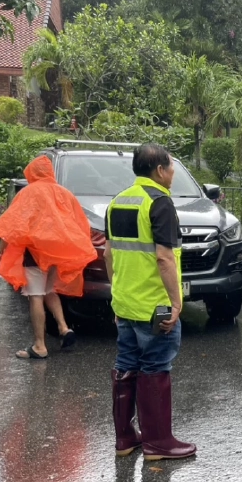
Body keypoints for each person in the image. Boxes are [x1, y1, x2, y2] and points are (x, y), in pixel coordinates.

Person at [104, 143, 195, 460]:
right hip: (155, 307)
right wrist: (176, 303)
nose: (172, 173)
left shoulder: (118, 202)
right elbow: (164, 258)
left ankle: (125, 439)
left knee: (126, 365)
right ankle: (158, 442)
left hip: (125, 304)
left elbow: (108, 254)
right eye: (171, 166)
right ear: (159, 170)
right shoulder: (159, 202)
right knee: (155, 367)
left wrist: (116, 296)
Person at [0, 155, 96, 359]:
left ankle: (40, 346)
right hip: (56, 253)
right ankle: (64, 327)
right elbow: (80, 223)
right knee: (49, 290)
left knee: (35, 295)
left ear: (32, 173)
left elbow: (13, 225)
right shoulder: (64, 193)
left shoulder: (28, 193)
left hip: (34, 252)